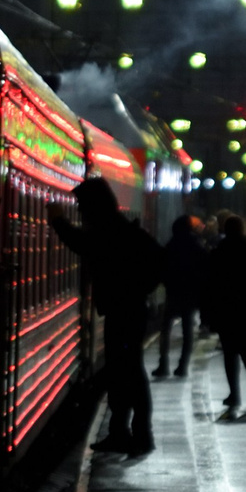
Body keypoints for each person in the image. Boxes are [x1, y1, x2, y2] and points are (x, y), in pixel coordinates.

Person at [49, 175, 165, 454]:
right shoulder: (119, 228)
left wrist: (58, 221)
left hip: (124, 312)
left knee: (129, 375)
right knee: (123, 373)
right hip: (127, 310)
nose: (78, 209)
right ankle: (123, 432)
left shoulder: (111, 231)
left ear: (93, 205)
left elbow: (83, 243)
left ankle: (137, 435)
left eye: (80, 204)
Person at [204, 214, 246, 415]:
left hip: (225, 310)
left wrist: (209, 314)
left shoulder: (218, 253)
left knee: (230, 354)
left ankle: (234, 394)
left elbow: (210, 286)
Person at [156, 214, 206, 378]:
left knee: (165, 329)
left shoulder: (171, 245)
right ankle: (182, 366)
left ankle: (163, 364)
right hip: (190, 295)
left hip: (173, 293)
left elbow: (162, 268)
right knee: (187, 332)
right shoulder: (197, 246)